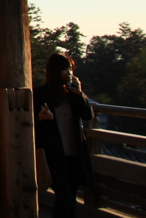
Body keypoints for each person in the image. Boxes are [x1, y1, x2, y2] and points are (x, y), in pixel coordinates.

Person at [33, 53, 95, 218]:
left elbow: (88, 115)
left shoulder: (72, 94)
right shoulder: (40, 94)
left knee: (71, 199)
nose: (69, 73)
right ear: (55, 71)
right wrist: (39, 118)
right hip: (53, 154)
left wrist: (80, 93)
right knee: (65, 196)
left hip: (74, 154)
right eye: (66, 69)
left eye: (71, 69)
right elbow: (28, 122)